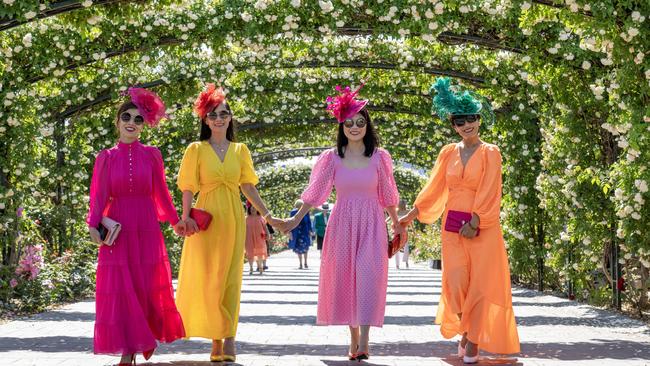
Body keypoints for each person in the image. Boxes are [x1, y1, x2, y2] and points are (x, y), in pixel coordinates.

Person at [279, 84, 405, 361]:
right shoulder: (331, 158)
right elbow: (314, 195)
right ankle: (354, 340)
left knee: (369, 278)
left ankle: (366, 338)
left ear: (367, 125)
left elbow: (388, 195)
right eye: (349, 123)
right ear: (341, 125)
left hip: (372, 224)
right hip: (343, 224)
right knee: (348, 279)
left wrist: (396, 225)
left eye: (360, 122)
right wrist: (294, 220)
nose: (355, 127)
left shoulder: (380, 157)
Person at [399, 77, 520, 363]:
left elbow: (491, 189)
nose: (467, 125)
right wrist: (411, 214)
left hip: (483, 227)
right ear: (453, 124)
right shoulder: (448, 153)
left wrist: (476, 221)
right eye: (459, 120)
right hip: (452, 226)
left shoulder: (491, 153)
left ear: (479, 119)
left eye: (472, 118)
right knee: (455, 283)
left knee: (480, 283)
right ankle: (467, 328)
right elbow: (434, 186)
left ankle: (473, 339)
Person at [174, 84, 280, 363]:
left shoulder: (240, 150)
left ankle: (228, 337)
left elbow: (248, 187)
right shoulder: (195, 149)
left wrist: (267, 216)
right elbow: (187, 187)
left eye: (223, 113)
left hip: (233, 216)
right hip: (206, 218)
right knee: (210, 278)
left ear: (230, 117)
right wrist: (185, 218)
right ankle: (215, 338)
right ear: (205, 120)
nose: (218, 118)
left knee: (231, 278)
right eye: (213, 114)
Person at [87, 88, 186, 366]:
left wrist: (176, 221)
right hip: (118, 228)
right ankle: (128, 349)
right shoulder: (105, 157)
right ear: (117, 121)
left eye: (139, 118)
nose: (132, 122)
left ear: (145, 125)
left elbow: (161, 193)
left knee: (146, 285)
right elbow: (98, 195)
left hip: (146, 226)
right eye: (126, 116)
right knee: (122, 287)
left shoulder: (152, 154)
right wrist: (93, 225)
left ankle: (146, 335)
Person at [288, 199, 313, 269]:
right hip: (296, 232)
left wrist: (310, 230)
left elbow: (308, 221)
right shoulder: (293, 212)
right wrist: (289, 232)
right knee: (298, 248)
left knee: (306, 247)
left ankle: (305, 262)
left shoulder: (306, 212)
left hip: (305, 232)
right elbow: (290, 222)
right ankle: (300, 263)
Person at [245, 204, 268, 275]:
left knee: (260, 252)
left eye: (254, 208)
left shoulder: (261, 218)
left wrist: (268, 234)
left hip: (259, 238)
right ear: (249, 209)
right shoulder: (246, 218)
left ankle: (260, 267)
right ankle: (251, 267)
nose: (253, 210)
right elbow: (243, 229)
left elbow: (265, 227)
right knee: (250, 252)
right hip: (248, 238)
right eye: (251, 208)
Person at [394, 199, 410, 269]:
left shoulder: (397, 212)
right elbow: (411, 221)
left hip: (398, 231)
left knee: (397, 247)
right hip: (404, 230)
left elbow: (389, 218)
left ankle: (398, 264)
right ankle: (405, 262)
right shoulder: (407, 212)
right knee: (405, 246)